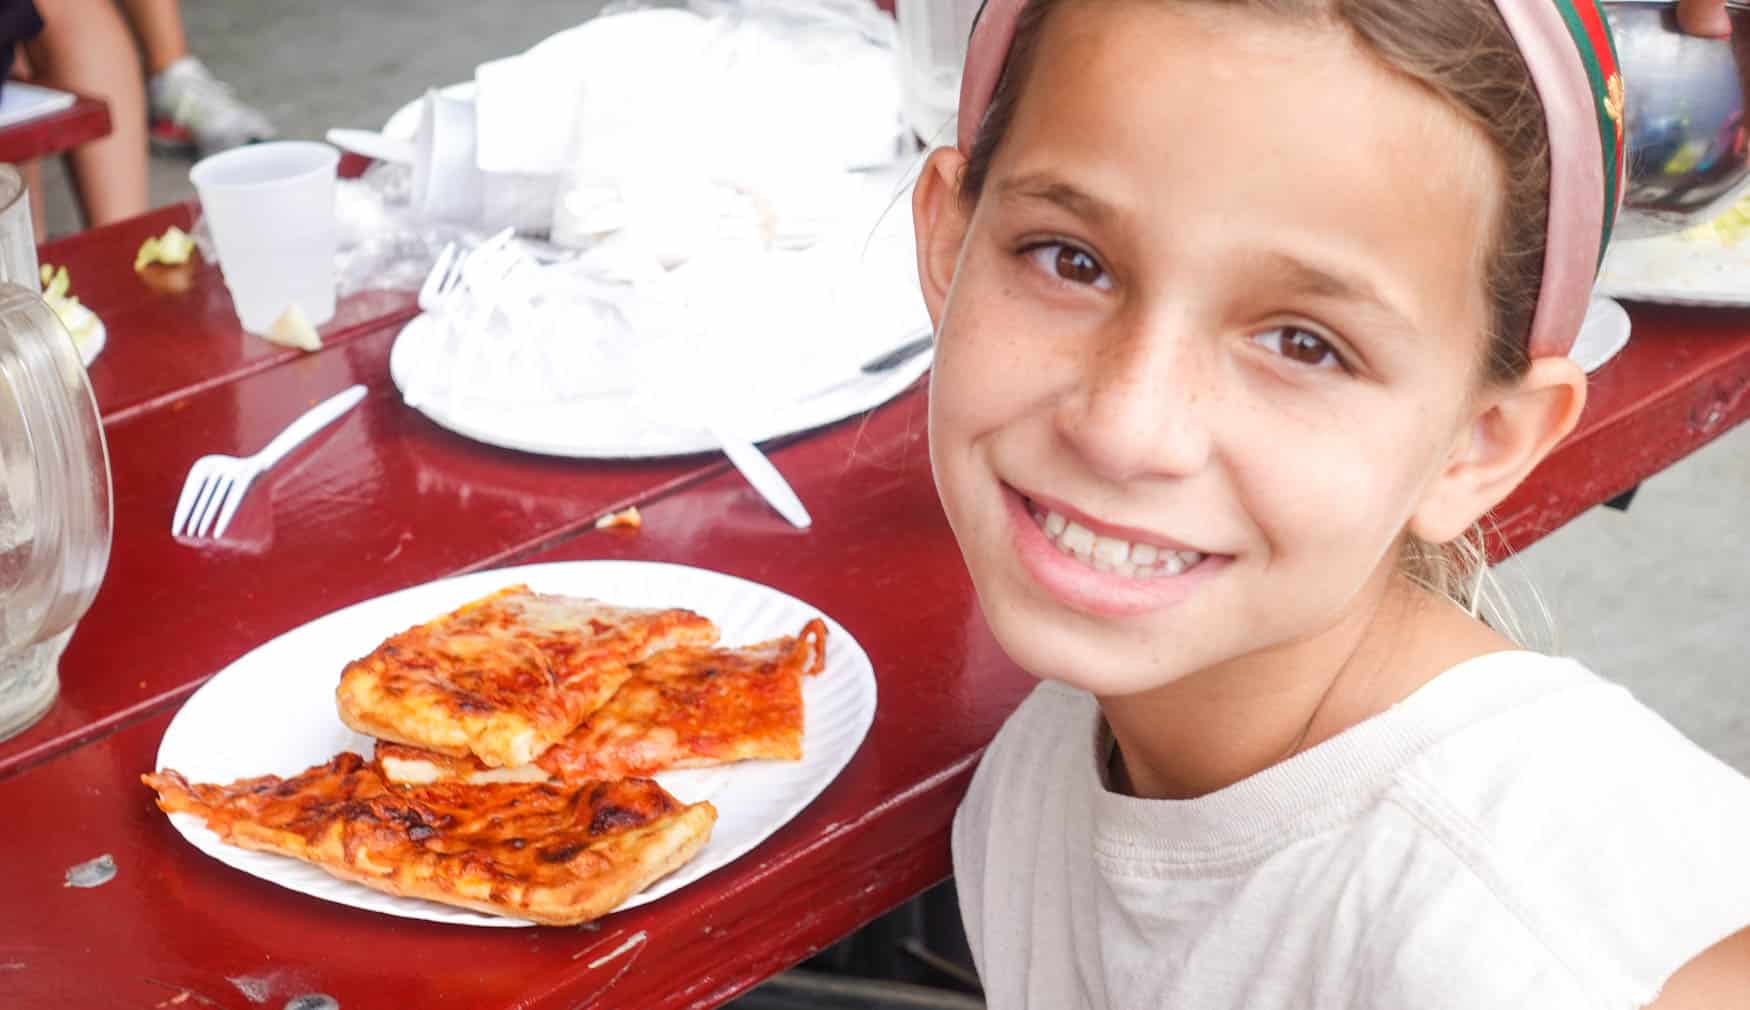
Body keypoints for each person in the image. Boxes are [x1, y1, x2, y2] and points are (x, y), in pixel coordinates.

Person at [908, 0, 1750, 1005]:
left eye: (1304, 342)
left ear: (1481, 447)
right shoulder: (1034, 789)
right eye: (1069, 259)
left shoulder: (1528, 946)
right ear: (950, 245)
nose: (1126, 427)